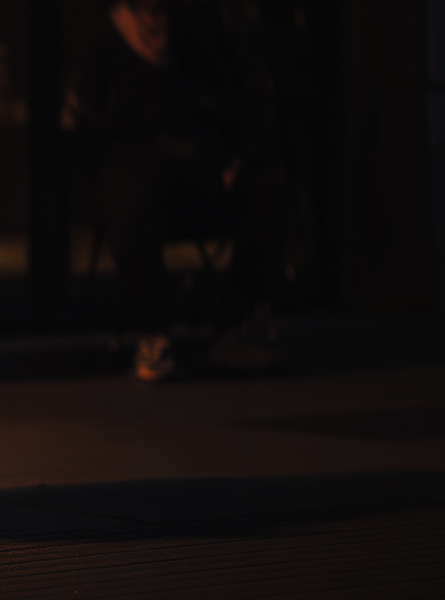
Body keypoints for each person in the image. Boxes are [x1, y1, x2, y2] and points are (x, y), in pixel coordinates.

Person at [67, 0, 290, 381]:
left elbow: (229, 96)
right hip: (137, 172)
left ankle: (232, 325)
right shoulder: (103, 43)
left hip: (198, 170)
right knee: (135, 197)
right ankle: (153, 332)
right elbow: (96, 125)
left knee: (265, 193)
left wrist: (235, 155)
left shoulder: (195, 32)